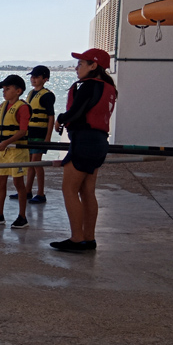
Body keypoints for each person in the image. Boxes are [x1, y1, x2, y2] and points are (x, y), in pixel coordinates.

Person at [51, 49, 118, 253]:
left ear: (93, 65)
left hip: (84, 141)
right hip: (98, 143)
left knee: (69, 189)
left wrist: (60, 119)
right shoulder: (109, 88)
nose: (76, 67)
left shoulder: (89, 85)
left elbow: (77, 111)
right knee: (87, 191)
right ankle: (89, 238)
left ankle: (76, 238)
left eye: (81, 63)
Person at [0, 74, 31, 229]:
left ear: (18, 91)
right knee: (0, 181)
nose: (4, 92)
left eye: (7, 89)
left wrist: (6, 142)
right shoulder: (2, 106)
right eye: (3, 89)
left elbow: (22, 131)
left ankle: (22, 216)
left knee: (18, 183)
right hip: (4, 151)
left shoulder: (23, 107)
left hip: (17, 151)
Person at [21, 65, 56, 203]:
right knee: (30, 163)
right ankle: (27, 191)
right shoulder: (31, 93)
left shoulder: (47, 95)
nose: (33, 79)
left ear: (45, 79)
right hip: (30, 132)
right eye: (32, 77)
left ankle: (41, 193)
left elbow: (51, 117)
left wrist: (48, 136)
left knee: (36, 162)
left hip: (40, 133)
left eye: (36, 77)